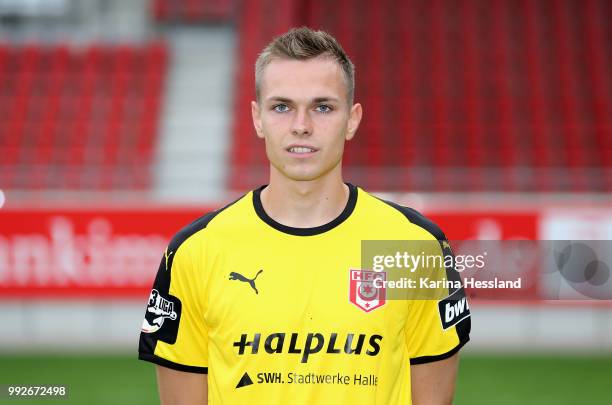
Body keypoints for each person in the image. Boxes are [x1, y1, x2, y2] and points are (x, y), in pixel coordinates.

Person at [138, 26, 470, 405]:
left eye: (322, 107)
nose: (301, 125)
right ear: (257, 118)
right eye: (281, 106)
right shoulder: (196, 251)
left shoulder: (412, 245)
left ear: (352, 119)